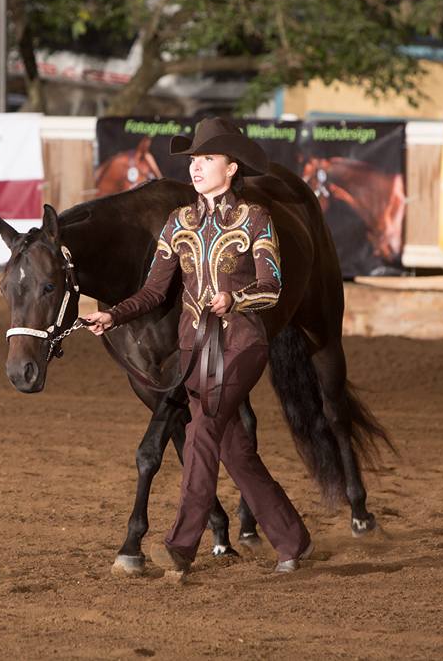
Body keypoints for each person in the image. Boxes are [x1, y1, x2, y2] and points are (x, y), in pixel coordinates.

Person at [84, 117, 313, 574]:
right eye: (194, 160)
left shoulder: (256, 219)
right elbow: (153, 292)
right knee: (235, 452)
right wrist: (113, 315)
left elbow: (273, 287)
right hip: (193, 351)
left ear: (232, 168)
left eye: (208, 159)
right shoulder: (178, 222)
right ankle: (293, 541)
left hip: (242, 344)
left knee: (202, 430)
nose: (196, 167)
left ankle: (181, 545)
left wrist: (236, 298)